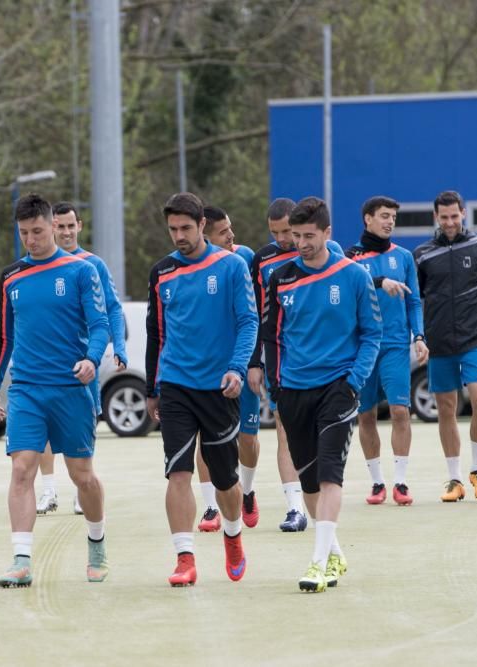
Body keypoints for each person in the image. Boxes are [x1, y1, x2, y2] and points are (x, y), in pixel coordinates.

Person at [0, 193, 110, 588]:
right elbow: (4, 336)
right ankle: (21, 560)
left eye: (37, 231)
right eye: (24, 233)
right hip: (26, 389)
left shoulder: (79, 271)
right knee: (22, 468)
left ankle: (97, 543)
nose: (31, 240)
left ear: (53, 226)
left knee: (82, 476)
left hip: (70, 388)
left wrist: (91, 359)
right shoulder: (11, 277)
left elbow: (101, 324)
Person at [263, 196, 382, 593]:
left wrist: (354, 381)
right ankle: (332, 551)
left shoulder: (354, 276)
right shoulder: (280, 278)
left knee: (331, 474)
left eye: (309, 236)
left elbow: (371, 334)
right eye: (296, 236)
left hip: (339, 387)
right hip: (294, 390)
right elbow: (273, 337)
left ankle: (316, 562)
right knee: (309, 483)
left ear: (328, 233)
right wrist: (275, 385)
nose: (301, 243)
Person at [145, 192, 258, 587]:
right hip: (176, 385)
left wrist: (236, 369)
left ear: (202, 226)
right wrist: (152, 387)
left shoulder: (230, 266)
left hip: (220, 387)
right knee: (178, 473)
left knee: (226, 480)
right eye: (172, 228)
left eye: (185, 228)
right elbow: (156, 333)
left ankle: (232, 535)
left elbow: (248, 322)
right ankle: (184, 558)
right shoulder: (161, 273)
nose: (178, 235)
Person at [247, 198, 347, 532]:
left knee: (323, 438)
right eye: (275, 233)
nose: (284, 240)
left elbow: (347, 289)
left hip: (324, 363)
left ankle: (323, 503)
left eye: (287, 231)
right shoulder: (262, 260)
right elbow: (258, 314)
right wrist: (255, 361)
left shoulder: (328, 251)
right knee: (285, 431)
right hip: (282, 360)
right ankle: (295, 508)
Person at [414, 190, 477, 503]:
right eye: (444, 217)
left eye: (454, 216)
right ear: (436, 217)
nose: (449, 222)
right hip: (439, 343)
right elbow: (414, 301)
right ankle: (455, 478)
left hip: (476, 340)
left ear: (463, 214)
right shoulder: (422, 254)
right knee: (446, 408)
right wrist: (418, 336)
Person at [34, 201, 128, 517]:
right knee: (44, 427)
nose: (65, 231)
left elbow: (113, 308)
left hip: (83, 361)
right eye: (59, 226)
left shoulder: (93, 265)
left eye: (70, 225)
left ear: (80, 226)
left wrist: (118, 347)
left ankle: (81, 488)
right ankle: (48, 491)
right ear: (51, 228)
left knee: (83, 424)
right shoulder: (37, 264)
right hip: (47, 361)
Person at [346, 196, 428, 506]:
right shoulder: (349, 256)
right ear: (367, 218)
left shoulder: (405, 257)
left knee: (399, 411)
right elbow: (354, 283)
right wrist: (381, 282)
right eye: (383, 215)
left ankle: (401, 483)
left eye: (392, 216)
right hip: (362, 347)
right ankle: (377, 482)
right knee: (365, 415)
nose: (389, 221)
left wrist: (418, 335)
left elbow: (414, 301)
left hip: (395, 344)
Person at [194, 205, 262, 532]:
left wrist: (253, 363)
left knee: (247, 437)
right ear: (205, 237)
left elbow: (253, 316)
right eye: (223, 232)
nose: (231, 236)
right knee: (204, 441)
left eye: (230, 228)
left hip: (241, 363)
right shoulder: (188, 268)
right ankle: (210, 507)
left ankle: (246, 491)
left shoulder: (244, 257)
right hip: (205, 370)